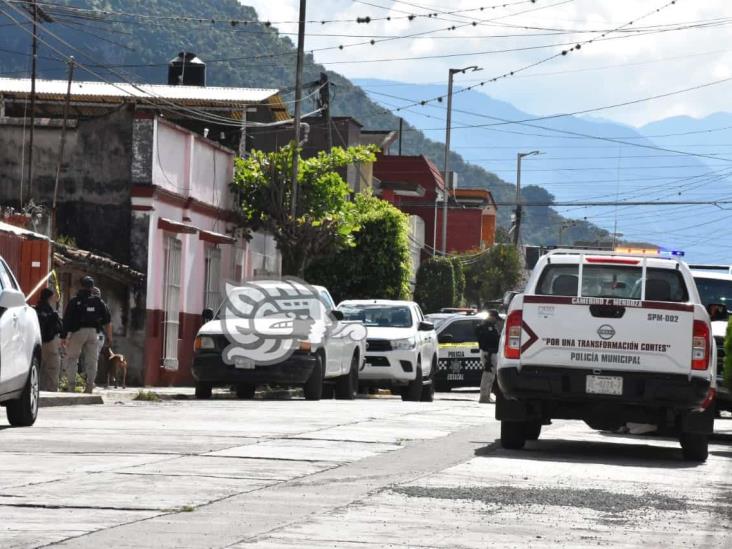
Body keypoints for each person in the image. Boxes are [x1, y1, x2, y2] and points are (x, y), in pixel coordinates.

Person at [61, 276, 112, 393]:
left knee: (72, 358)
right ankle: (89, 387)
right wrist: (104, 331)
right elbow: (107, 319)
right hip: (93, 333)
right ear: (92, 287)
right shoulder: (99, 302)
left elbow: (67, 319)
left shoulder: (74, 301)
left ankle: (71, 386)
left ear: (81, 286)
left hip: (77, 332)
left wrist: (64, 336)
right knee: (92, 361)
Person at [35, 288, 63, 392]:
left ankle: (40, 388)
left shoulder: (37, 309)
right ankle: (52, 389)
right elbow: (57, 326)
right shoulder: (50, 311)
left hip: (40, 341)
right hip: (50, 341)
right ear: (49, 298)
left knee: (41, 367)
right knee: (53, 367)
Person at [476, 310, 502, 404]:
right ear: (491, 316)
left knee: (490, 376)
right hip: (488, 353)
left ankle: (486, 395)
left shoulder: (489, 326)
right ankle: (484, 397)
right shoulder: (485, 327)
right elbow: (488, 339)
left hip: (490, 352)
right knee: (487, 375)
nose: (496, 320)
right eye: (495, 318)